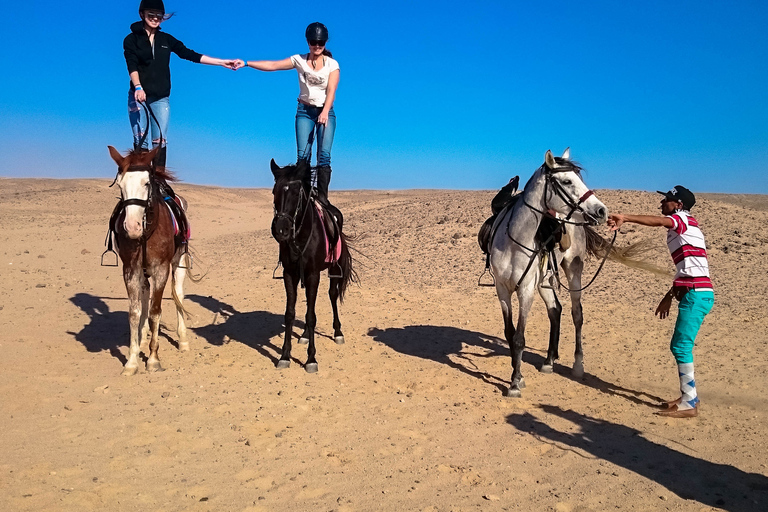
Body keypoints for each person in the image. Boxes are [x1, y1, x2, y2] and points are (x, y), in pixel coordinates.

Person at [607, 186, 714, 418]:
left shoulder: (682, 220)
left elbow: (658, 221)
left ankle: (690, 403)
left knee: (680, 346)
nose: (662, 203)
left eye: (667, 200)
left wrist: (625, 217)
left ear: (678, 205)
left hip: (696, 294)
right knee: (681, 346)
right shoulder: (686, 226)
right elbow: (687, 270)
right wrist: (668, 297)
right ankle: (689, 396)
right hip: (693, 291)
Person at [123, 0, 239, 169]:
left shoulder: (166, 39)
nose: (155, 19)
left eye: (159, 16)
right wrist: (138, 87)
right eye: (151, 15)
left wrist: (221, 62)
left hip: (161, 98)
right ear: (142, 14)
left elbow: (189, 54)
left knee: (160, 141)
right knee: (141, 140)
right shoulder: (131, 40)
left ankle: (160, 183)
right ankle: (140, 182)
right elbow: (131, 64)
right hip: (139, 96)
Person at [237, 22, 340, 208]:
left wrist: (325, 112)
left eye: (321, 42)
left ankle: (323, 199)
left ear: (325, 43)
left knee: (323, 155)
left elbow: (332, 91)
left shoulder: (332, 64)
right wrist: (246, 63)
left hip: (325, 112)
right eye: (313, 42)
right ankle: (306, 195)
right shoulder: (299, 60)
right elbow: (273, 65)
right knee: (303, 157)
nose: (317, 46)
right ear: (308, 42)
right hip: (304, 112)